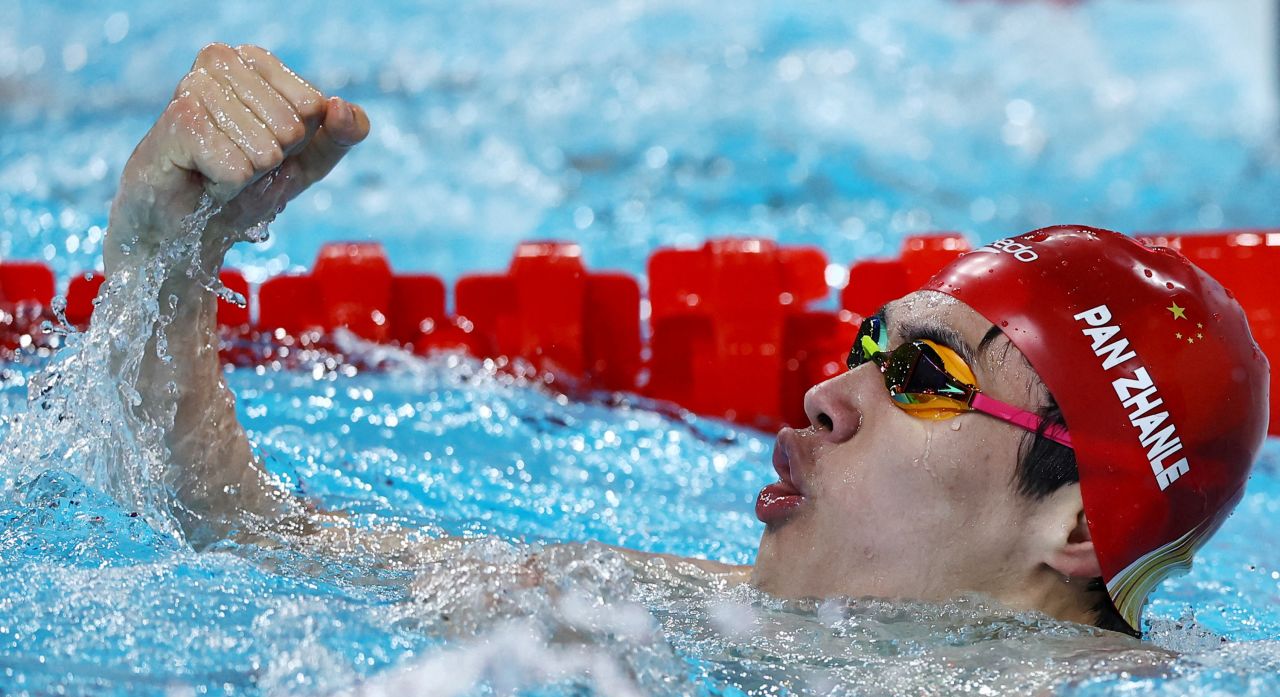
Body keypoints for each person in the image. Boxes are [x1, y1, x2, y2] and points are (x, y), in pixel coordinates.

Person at [104, 44, 1269, 638]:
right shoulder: (689, 619)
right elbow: (241, 534)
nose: (823, 390)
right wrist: (166, 247)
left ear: (1072, 523)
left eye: (923, 375)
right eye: (869, 345)